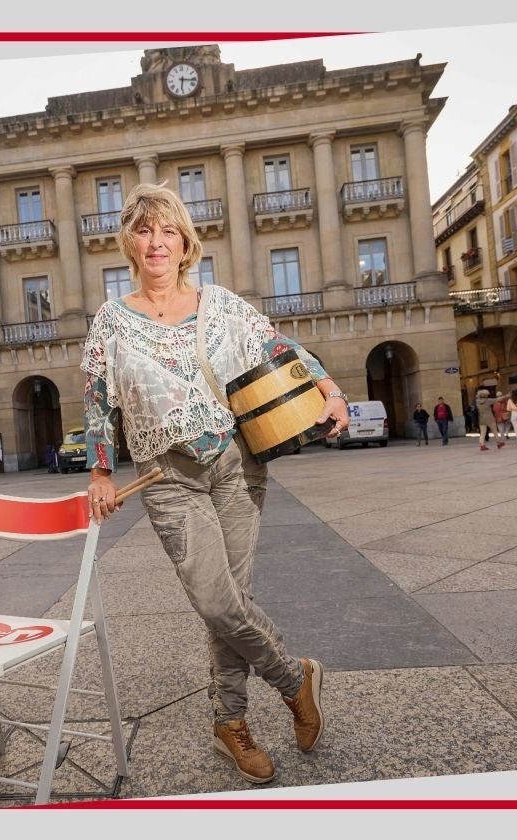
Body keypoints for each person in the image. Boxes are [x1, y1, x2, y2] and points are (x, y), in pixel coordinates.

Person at [81, 183, 340, 785]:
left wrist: (329, 389)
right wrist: (99, 471)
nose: (156, 242)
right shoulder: (110, 321)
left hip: (236, 467)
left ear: (185, 243)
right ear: (129, 242)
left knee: (232, 603)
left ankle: (229, 722)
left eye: (168, 230)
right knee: (217, 602)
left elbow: (279, 347)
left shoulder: (221, 305)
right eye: (144, 230)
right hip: (167, 476)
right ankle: (294, 679)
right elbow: (97, 401)